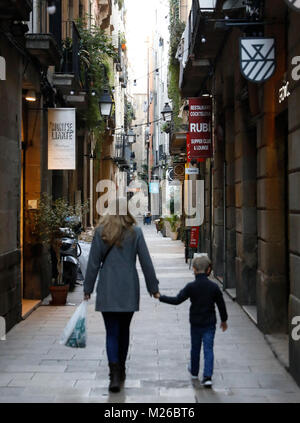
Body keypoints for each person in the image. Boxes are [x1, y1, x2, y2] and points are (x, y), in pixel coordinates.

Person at [83, 201, 160, 393]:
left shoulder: (102, 232)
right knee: (124, 330)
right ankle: (122, 369)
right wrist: (153, 287)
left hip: (107, 288)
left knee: (111, 332)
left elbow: (93, 263)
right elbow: (146, 262)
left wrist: (88, 288)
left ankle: (114, 375)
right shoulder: (135, 233)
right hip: (128, 288)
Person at [154, 256, 228, 388]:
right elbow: (221, 305)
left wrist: (161, 297)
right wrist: (224, 320)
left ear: (194, 269)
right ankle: (207, 376)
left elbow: (177, 300)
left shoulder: (191, 287)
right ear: (209, 270)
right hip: (210, 323)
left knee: (195, 348)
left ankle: (194, 371)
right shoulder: (214, 287)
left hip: (195, 323)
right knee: (208, 349)